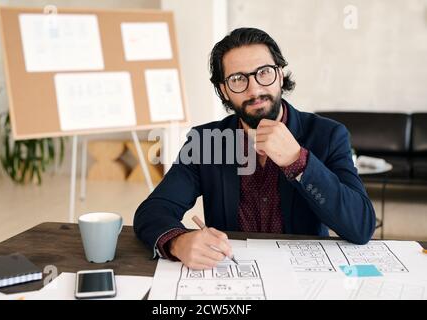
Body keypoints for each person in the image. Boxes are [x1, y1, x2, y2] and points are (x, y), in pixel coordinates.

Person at [134, 27, 376, 270]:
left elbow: (361, 225)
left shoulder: (329, 135)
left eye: (264, 73)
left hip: (304, 273)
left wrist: (297, 160)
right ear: (223, 90)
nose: (255, 89)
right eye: (238, 79)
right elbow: (153, 211)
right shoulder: (205, 140)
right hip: (233, 273)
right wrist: (178, 241)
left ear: (280, 76)